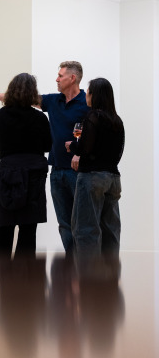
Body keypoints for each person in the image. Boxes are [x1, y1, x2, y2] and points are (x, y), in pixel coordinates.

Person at [0, 61, 90, 254]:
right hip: (47, 173)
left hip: (69, 171)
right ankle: (48, 272)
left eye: (60, 75)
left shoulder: (87, 103)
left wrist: (79, 151)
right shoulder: (48, 108)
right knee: (47, 226)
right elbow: (46, 142)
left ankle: (82, 267)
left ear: (72, 78)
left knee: (7, 225)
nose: (56, 78)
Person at [0, 73, 52, 257]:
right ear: (33, 92)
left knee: (5, 225)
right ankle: (26, 281)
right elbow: (48, 146)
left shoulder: (2, 114)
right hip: (34, 176)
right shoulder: (40, 118)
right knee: (28, 229)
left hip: (9, 175)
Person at [65, 77, 124, 262]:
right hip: (113, 179)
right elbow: (119, 151)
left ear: (95, 95)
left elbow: (84, 148)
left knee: (85, 229)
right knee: (110, 230)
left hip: (92, 178)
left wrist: (72, 146)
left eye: (88, 92)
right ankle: (110, 278)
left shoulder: (93, 116)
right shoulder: (117, 120)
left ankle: (89, 281)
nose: (86, 96)